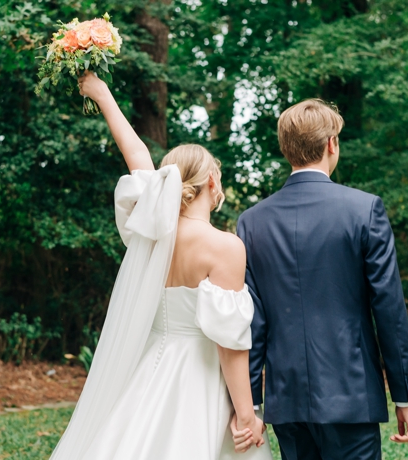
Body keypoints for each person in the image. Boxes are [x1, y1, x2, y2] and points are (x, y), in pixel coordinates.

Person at [49, 71, 272, 459]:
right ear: (212, 181)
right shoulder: (225, 247)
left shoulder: (150, 236)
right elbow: (229, 343)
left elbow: (134, 153)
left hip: (148, 367)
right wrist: (245, 413)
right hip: (199, 379)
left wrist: (101, 93)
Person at [237, 99, 408, 460]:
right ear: (331, 144)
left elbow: (251, 323)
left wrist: (252, 406)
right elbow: (389, 311)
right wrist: (405, 396)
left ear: (286, 149)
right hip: (351, 396)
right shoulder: (364, 210)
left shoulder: (252, 222)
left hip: (285, 400)